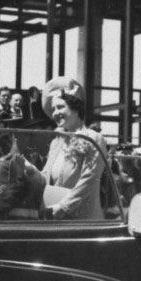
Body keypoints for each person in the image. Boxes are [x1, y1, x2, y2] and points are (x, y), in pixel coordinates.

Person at [39, 76, 108, 221]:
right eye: (53, 109)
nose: (55, 113)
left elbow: (90, 179)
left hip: (84, 220)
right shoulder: (56, 143)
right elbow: (46, 175)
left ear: (75, 108)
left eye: (60, 107)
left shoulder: (93, 138)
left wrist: (64, 207)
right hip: (57, 217)